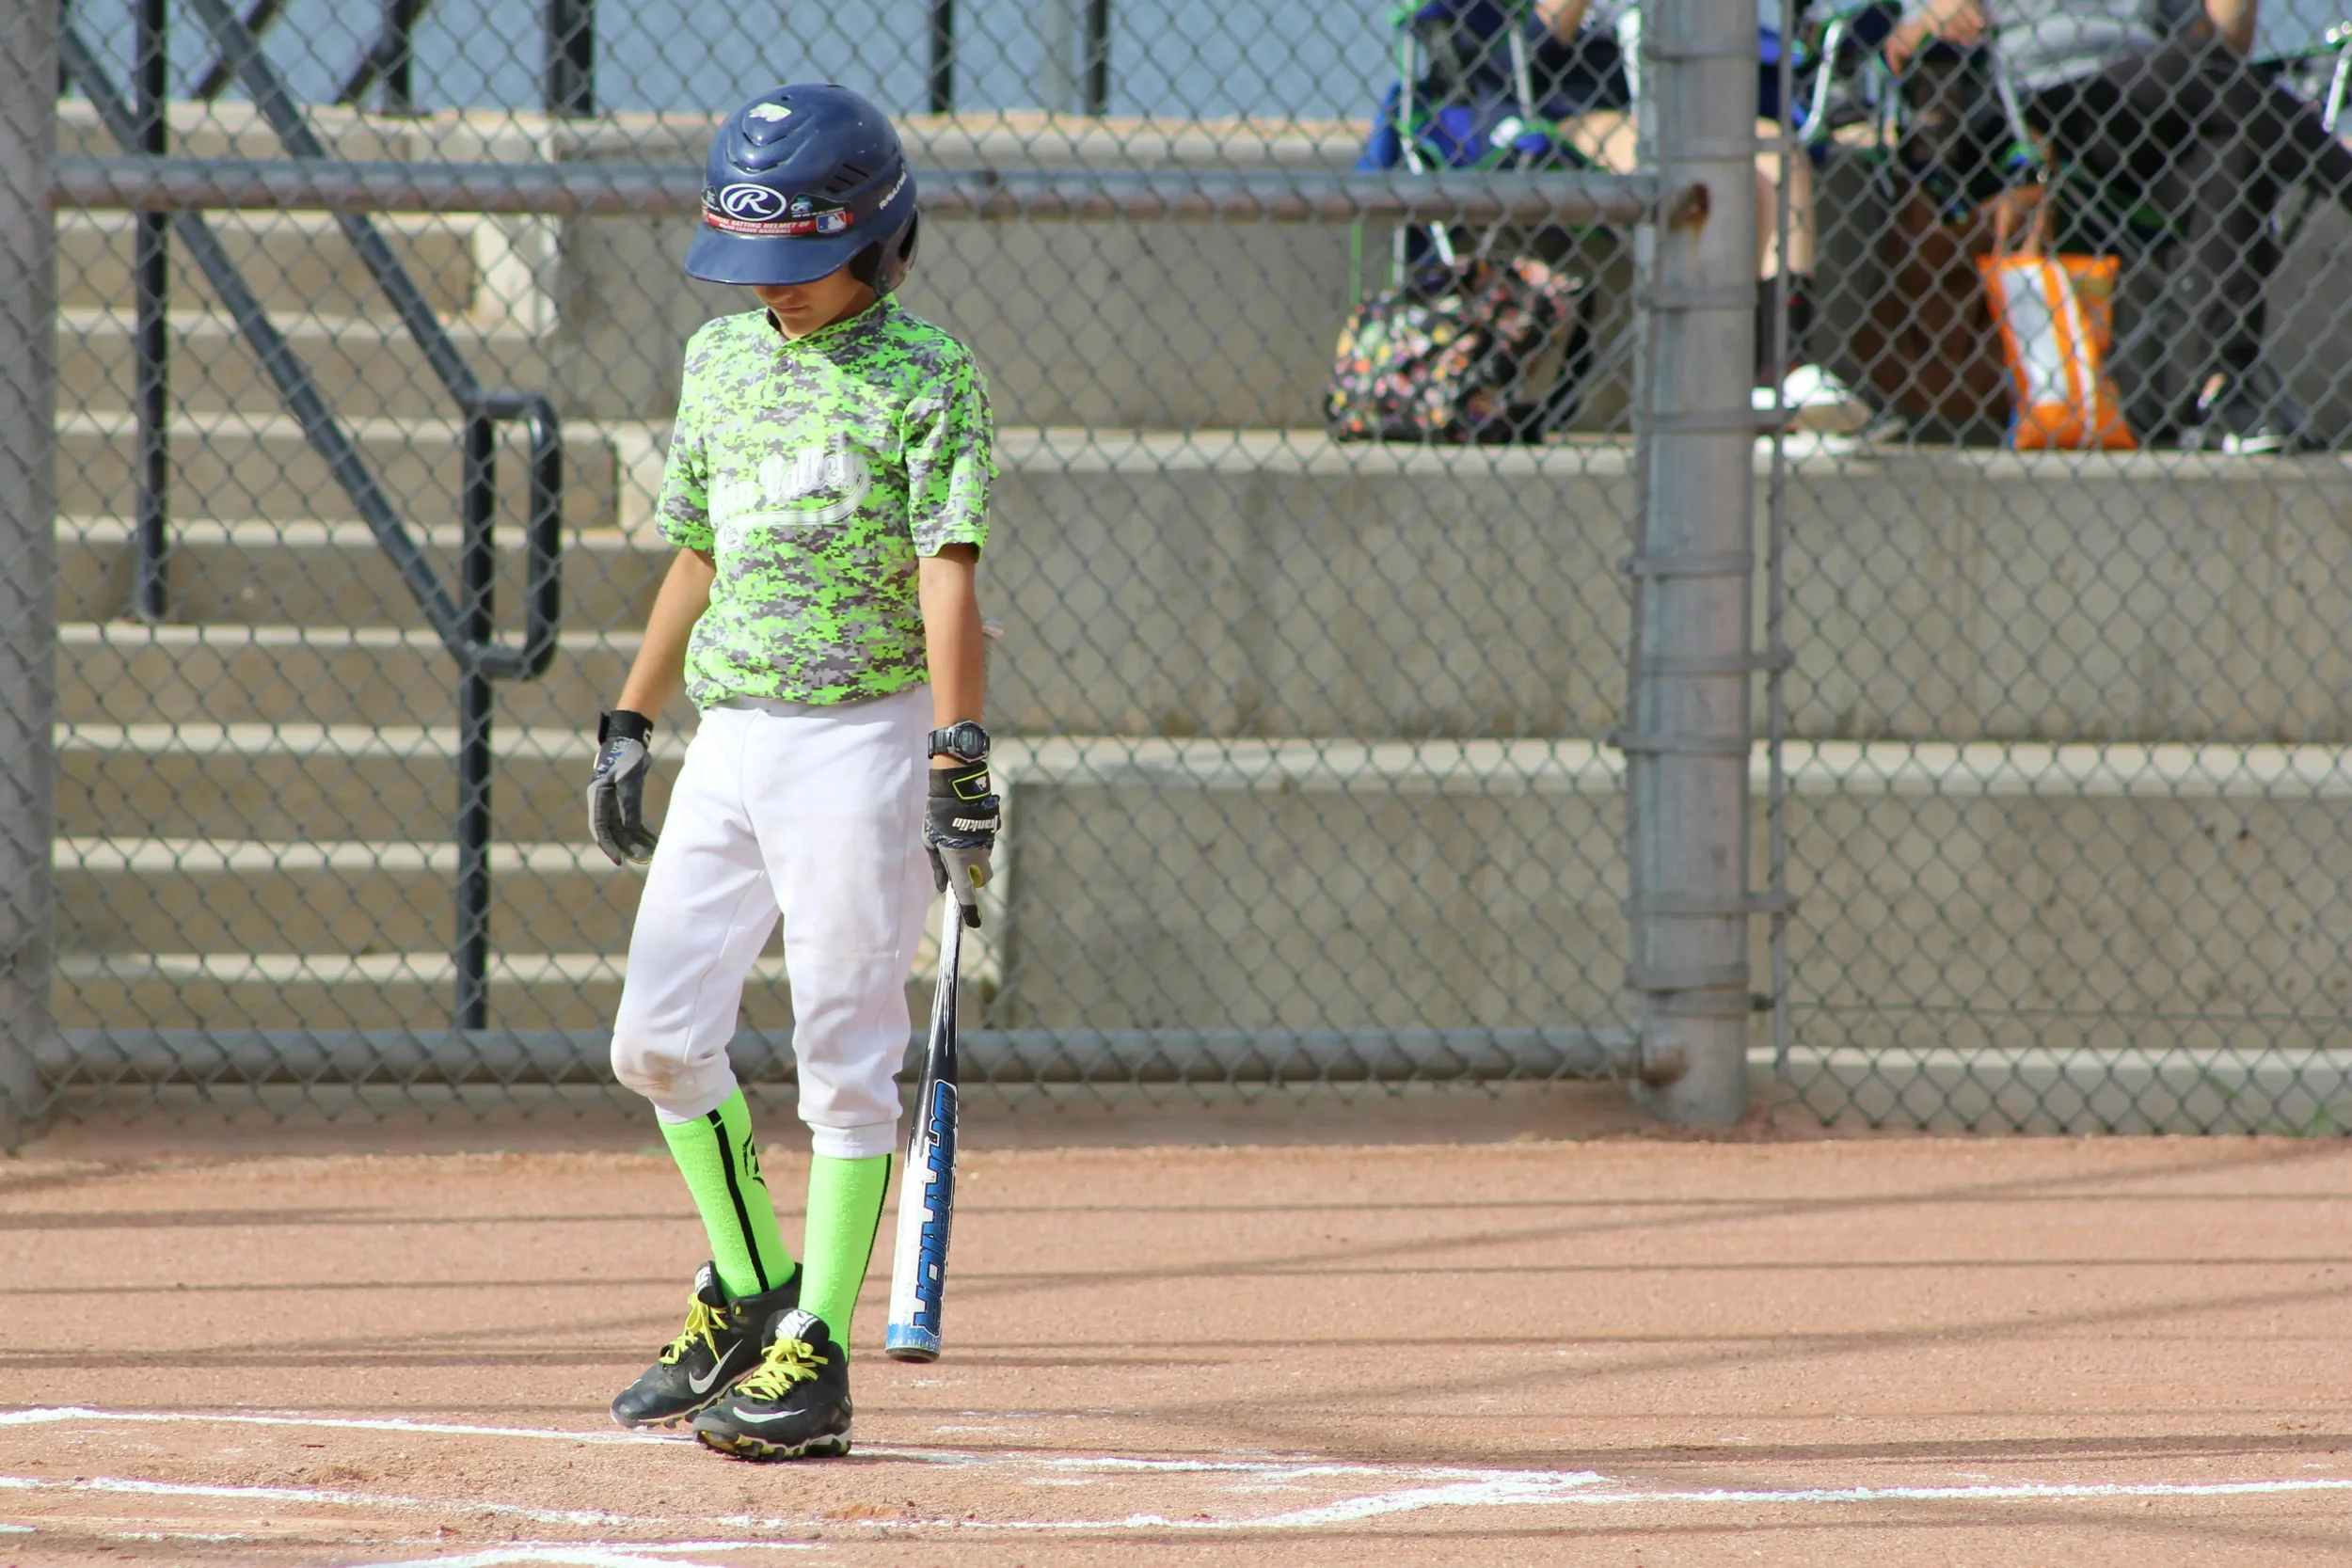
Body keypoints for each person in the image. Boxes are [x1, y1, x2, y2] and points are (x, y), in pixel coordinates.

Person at [583, 81, 999, 1463]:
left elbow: (950, 571)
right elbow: (696, 553)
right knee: (655, 1035)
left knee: (843, 1048)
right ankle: (752, 1278)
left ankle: (814, 1342)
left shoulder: (929, 376)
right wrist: (630, 718)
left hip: (860, 737)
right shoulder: (720, 361)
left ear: (882, 239)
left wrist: (955, 744)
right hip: (733, 735)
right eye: (757, 266)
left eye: (807, 263)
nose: (781, 294)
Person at [1884, 0, 2352, 449]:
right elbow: (1904, 44)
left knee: (2235, 153)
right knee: (2201, 66)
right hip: (2046, 105)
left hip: (2152, 110)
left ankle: (2224, 384)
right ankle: (2342, 173)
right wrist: (1934, 17)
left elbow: (2225, 45)